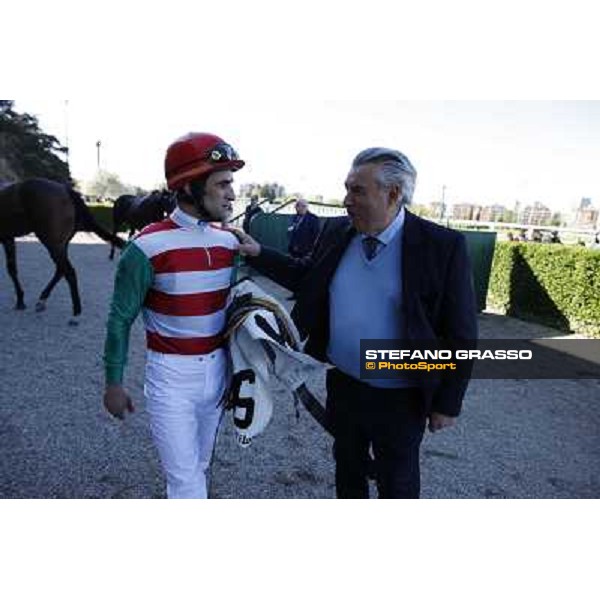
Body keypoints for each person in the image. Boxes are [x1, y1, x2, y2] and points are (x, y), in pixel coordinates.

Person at [237, 147, 478, 499]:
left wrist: (447, 403)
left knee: (398, 479)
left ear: (393, 193)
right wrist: (260, 254)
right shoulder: (337, 231)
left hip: (401, 395)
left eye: (357, 191)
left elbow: (461, 333)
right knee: (347, 468)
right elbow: (308, 277)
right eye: (347, 188)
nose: (346, 200)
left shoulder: (442, 246)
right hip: (344, 383)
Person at [102, 132, 245, 499]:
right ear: (188, 187)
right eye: (223, 183)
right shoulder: (145, 246)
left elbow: (235, 309)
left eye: (232, 182)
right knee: (186, 481)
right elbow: (120, 319)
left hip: (219, 372)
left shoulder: (231, 242)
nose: (232, 193)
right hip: (171, 379)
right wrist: (113, 383)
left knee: (198, 469)